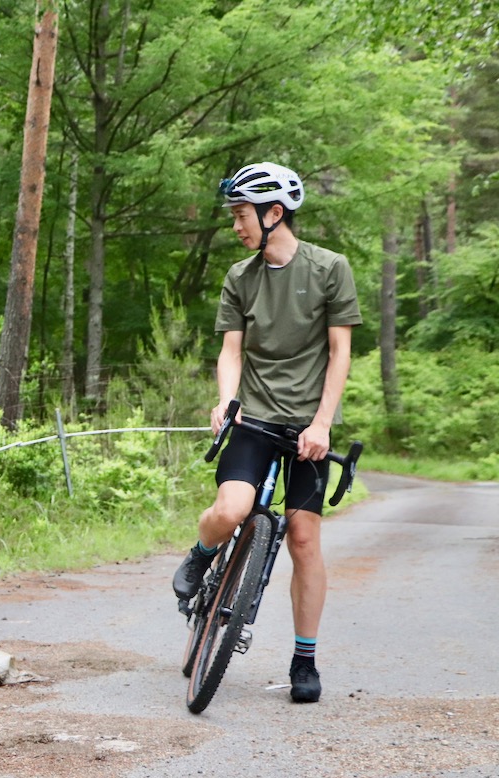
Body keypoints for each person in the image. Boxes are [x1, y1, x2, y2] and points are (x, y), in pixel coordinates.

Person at [172, 162, 361, 703]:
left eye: (242, 213)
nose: (236, 224)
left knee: (303, 539)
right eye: (234, 214)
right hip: (253, 420)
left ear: (274, 213)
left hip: (308, 430)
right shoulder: (240, 277)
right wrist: (227, 401)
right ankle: (201, 557)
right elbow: (231, 351)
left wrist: (323, 423)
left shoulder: (330, 269)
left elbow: (339, 351)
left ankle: (305, 659)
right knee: (231, 509)